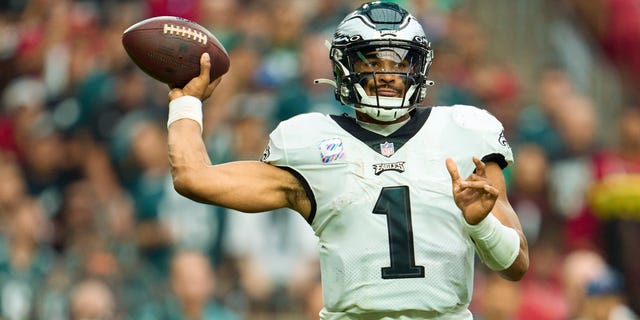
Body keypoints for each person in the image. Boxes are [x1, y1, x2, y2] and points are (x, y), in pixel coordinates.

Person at [164, 2, 529, 319]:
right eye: (372, 61)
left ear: (419, 68)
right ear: (344, 67)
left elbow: (515, 265)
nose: (388, 74)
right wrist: (185, 100)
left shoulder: (465, 131)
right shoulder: (308, 142)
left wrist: (482, 226)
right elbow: (193, 177)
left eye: (401, 62)